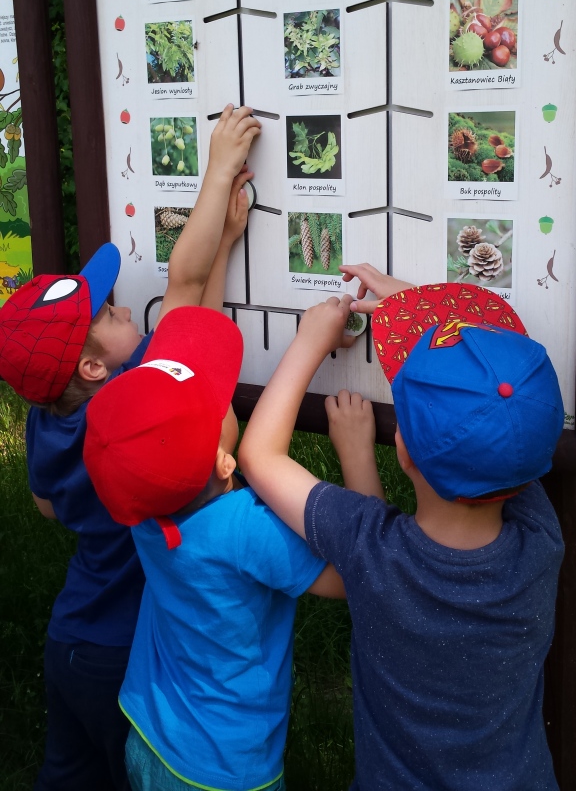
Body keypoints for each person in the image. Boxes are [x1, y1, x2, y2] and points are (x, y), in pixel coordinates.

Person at [0, 103, 261, 791]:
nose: (123, 308)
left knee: (66, 775)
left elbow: (46, 505)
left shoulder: (48, 418)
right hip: (124, 652)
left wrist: (225, 243)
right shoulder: (132, 402)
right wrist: (218, 170)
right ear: (93, 368)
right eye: (110, 313)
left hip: (70, 638)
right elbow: (183, 286)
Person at [238, 265, 564, 791]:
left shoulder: (371, 550)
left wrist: (309, 342)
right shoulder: (541, 540)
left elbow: (259, 456)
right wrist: (422, 307)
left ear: (403, 451)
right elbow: (505, 403)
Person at [83, 306, 345, 791]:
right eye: (217, 398)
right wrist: (355, 452)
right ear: (225, 463)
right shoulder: (246, 530)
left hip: (149, 734)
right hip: (225, 769)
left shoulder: (140, 503)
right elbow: (354, 577)